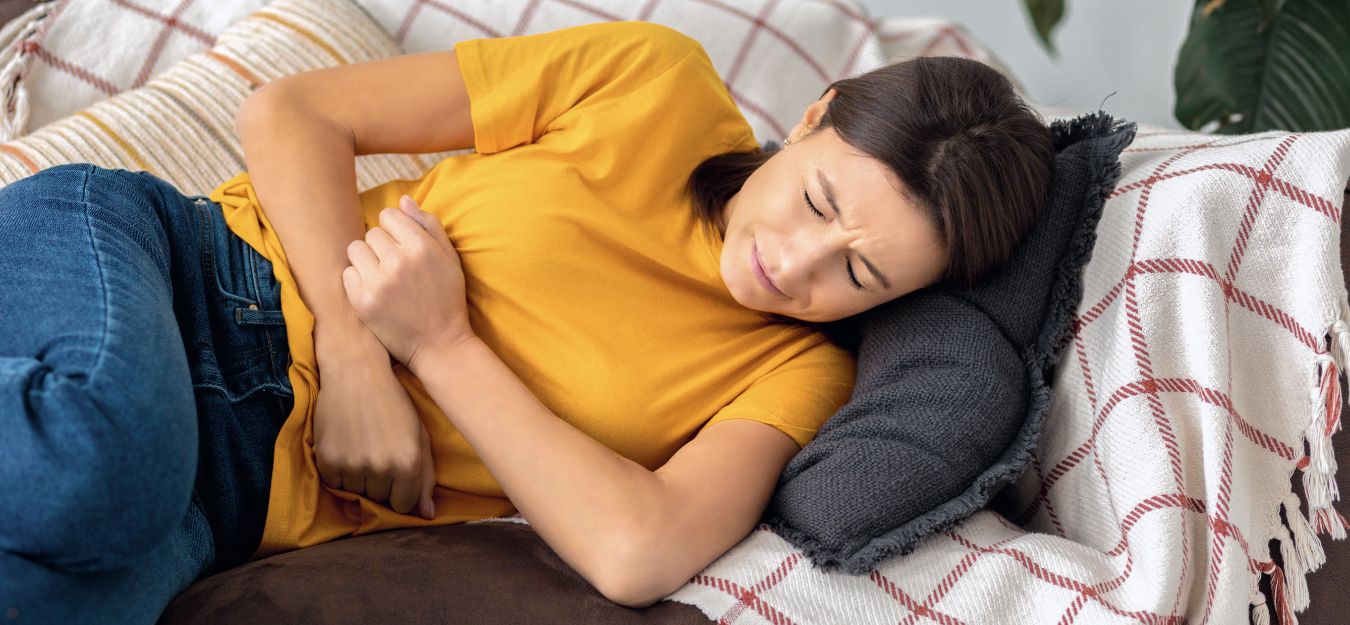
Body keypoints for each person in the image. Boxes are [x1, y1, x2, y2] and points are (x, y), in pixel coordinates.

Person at [0, 20, 1052, 623]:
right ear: (814, 116)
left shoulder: (793, 378)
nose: (796, 266)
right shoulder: (654, 83)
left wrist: (443, 344)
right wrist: (359, 347)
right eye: (819, 203)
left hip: (229, 499)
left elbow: (636, 551)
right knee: (97, 461)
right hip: (175, 274)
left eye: (859, 273)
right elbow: (293, 113)